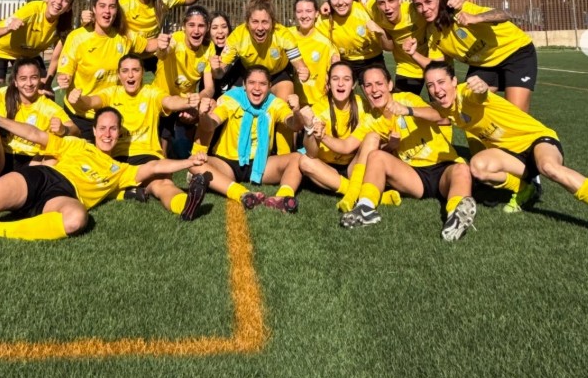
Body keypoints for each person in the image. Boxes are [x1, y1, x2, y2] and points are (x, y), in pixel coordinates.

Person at [0, 106, 212, 261]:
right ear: (95, 131)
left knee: (76, 219)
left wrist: (188, 163)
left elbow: (153, 166)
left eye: (113, 129)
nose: (107, 133)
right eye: (102, 127)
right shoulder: (76, 144)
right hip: (43, 178)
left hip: (64, 197)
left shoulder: (120, 170)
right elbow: (35, 134)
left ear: (120, 134)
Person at [423, 61, 588, 214]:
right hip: (512, 156)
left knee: (549, 167)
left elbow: (479, 95)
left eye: (441, 82)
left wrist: (481, 89)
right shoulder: (446, 107)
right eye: (431, 85)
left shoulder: (466, 92)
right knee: (478, 167)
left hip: (535, 139)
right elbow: (427, 111)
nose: (437, 90)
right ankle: (525, 189)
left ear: (453, 81)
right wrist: (404, 109)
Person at [339, 64, 477, 242]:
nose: (374, 90)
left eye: (379, 83)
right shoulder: (371, 119)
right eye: (368, 85)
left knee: (462, 169)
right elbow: (346, 146)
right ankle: (366, 208)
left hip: (443, 167)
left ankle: (454, 219)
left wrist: (408, 111)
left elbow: (439, 116)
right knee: (376, 156)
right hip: (413, 175)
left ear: (389, 85)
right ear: (363, 89)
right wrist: (316, 132)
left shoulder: (406, 98)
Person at [67, 54, 205, 214]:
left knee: (162, 185)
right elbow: (91, 102)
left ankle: (185, 206)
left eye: (135, 70)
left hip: (148, 156)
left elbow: (169, 101)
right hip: (117, 159)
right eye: (125, 71)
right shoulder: (111, 93)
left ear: (143, 72)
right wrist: (79, 99)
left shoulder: (151, 93)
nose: (130, 75)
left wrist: (186, 102)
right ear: (119, 75)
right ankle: (123, 193)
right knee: (96, 183)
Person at [261, 61, 401, 212]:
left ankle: (353, 193)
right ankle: (360, 193)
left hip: (354, 166)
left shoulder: (364, 106)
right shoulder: (320, 109)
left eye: (346, 79)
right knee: (305, 162)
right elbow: (312, 153)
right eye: (335, 79)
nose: (340, 84)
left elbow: (363, 146)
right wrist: (310, 128)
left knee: (372, 137)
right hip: (326, 168)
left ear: (353, 84)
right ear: (328, 83)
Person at [407, 0, 537, 113]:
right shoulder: (432, 32)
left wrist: (476, 18)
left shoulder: (462, 9)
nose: (424, 9)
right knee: (468, 109)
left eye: (428, 2)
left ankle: (541, 134)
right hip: (483, 65)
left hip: (515, 53)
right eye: (419, 5)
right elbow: (437, 66)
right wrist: (413, 54)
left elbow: (505, 14)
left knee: (516, 114)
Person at [193, 65, 311, 210]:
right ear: (244, 85)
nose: (257, 88)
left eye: (262, 84)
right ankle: (241, 193)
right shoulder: (231, 99)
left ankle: (283, 197)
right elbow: (209, 125)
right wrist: (203, 115)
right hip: (227, 163)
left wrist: (297, 112)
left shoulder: (274, 103)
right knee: (194, 163)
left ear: (269, 86)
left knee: (297, 158)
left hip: (260, 165)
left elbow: (294, 125)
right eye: (252, 83)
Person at [212, 0, 311, 154]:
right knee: (227, 103)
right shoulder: (237, 36)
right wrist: (217, 69)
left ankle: (284, 156)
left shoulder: (283, 34)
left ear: (272, 23)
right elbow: (220, 73)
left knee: (285, 105)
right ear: (247, 22)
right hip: (250, 76)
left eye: (265, 22)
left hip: (278, 75)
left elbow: (299, 64)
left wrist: (303, 71)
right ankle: (230, 151)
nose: (259, 28)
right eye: (255, 22)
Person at [0, 57, 78, 192]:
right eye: (23, 78)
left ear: (40, 79)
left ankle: (19, 193)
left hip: (31, 162)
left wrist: (64, 129)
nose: (29, 83)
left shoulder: (49, 107)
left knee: (53, 160)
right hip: (2, 158)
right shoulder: (3, 93)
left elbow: (76, 130)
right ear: (16, 82)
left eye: (34, 77)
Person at [56, 0, 157, 140]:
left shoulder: (123, 36)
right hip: (80, 115)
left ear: (117, 10)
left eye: (112, 6)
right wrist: (64, 78)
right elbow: (65, 71)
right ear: (94, 9)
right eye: (102, 6)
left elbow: (148, 45)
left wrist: (172, 39)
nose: (107, 11)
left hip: (110, 114)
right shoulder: (77, 37)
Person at [0, 0, 75, 84]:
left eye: (65, 0)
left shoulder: (64, 25)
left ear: (69, 7)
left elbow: (56, 57)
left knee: (44, 90)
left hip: (27, 54)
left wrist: (47, 84)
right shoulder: (32, 10)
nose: (59, 2)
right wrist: (8, 28)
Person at [153, 5, 215, 157]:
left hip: (185, 106)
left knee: (211, 105)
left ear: (207, 28)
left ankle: (199, 156)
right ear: (183, 27)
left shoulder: (208, 48)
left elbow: (209, 89)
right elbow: (164, 52)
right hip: (162, 102)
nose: (196, 31)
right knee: (160, 153)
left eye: (201, 26)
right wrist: (161, 48)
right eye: (191, 25)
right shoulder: (176, 39)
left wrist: (196, 101)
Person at [359, 0, 430, 95]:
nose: (387, 7)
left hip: (432, 63)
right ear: (376, 4)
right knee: (401, 108)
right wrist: (327, 4)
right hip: (407, 68)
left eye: (391, 1)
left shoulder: (415, 11)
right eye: (381, 3)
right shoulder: (374, 10)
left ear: (400, 0)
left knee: (442, 108)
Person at [317, 0, 390, 82]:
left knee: (382, 95)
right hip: (344, 61)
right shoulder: (323, 19)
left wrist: (381, 32)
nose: (340, 2)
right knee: (335, 93)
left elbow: (389, 46)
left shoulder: (367, 9)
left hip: (372, 60)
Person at [288, 0, 334, 107]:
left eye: (308, 11)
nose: (304, 16)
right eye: (299, 11)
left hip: (317, 104)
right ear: (295, 13)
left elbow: (335, 67)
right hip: (290, 102)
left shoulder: (324, 43)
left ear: (316, 13)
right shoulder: (286, 35)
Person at [208, 11, 242, 99]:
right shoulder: (205, 52)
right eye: (214, 28)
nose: (220, 31)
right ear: (208, 31)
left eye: (224, 27)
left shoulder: (237, 52)